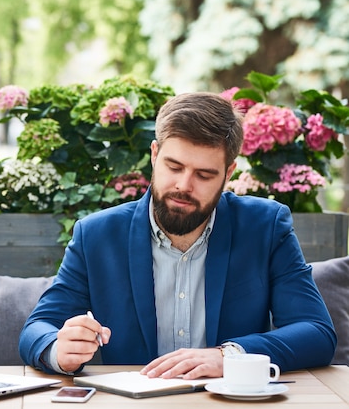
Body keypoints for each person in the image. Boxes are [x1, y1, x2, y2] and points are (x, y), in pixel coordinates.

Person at [18, 92, 337, 379]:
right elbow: (36, 330)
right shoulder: (97, 234)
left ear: (228, 173)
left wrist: (229, 356)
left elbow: (317, 332)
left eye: (204, 174)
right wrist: (59, 350)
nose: (184, 185)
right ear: (155, 154)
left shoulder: (265, 226)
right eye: (174, 166)